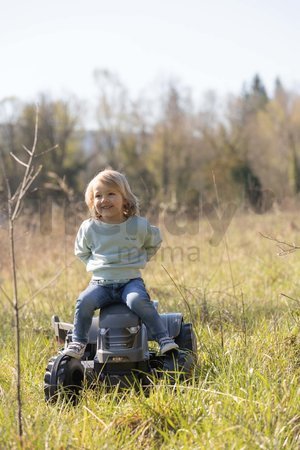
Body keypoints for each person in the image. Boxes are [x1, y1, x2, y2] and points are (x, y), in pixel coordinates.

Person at [63, 168, 179, 359]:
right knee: (84, 301)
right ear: (92, 201)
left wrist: (141, 258)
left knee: (138, 301)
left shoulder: (137, 225)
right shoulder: (90, 227)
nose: (104, 199)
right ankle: (78, 341)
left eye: (111, 194)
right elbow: (81, 251)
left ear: (125, 199)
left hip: (130, 281)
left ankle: (163, 338)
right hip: (100, 283)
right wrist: (96, 264)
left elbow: (154, 241)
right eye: (98, 195)